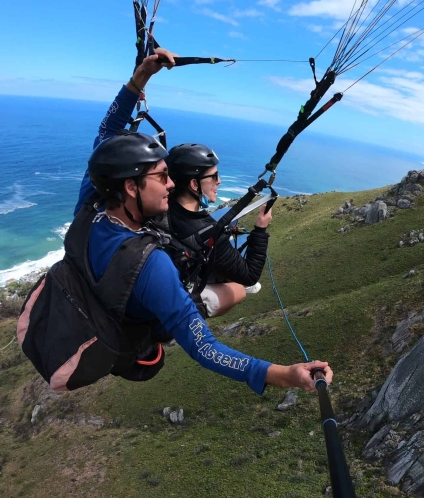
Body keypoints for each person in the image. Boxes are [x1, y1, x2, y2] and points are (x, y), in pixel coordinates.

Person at [74, 47, 331, 393]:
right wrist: (284, 374)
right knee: (239, 290)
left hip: (85, 295)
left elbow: (108, 129)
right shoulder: (150, 267)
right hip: (128, 316)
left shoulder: (90, 201)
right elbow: (205, 348)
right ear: (131, 186)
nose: (170, 184)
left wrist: (142, 76)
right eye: (161, 177)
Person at [163, 143, 270, 318]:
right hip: (176, 293)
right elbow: (251, 275)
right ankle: (189, 313)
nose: (218, 181)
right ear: (194, 184)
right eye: (214, 176)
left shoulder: (160, 207)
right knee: (240, 288)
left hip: (171, 270)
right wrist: (260, 229)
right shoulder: (206, 231)